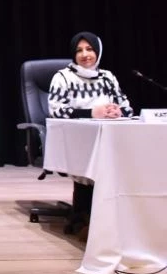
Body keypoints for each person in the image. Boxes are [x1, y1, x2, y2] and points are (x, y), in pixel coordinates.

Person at [47, 31, 133, 237]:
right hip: (76, 138)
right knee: (90, 163)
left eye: (89, 49)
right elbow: (56, 111)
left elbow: (128, 108)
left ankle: (113, 219)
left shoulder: (107, 77)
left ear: (98, 51)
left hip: (108, 136)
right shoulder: (62, 77)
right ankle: (82, 219)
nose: (85, 54)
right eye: (79, 50)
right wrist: (92, 113)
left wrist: (118, 111)